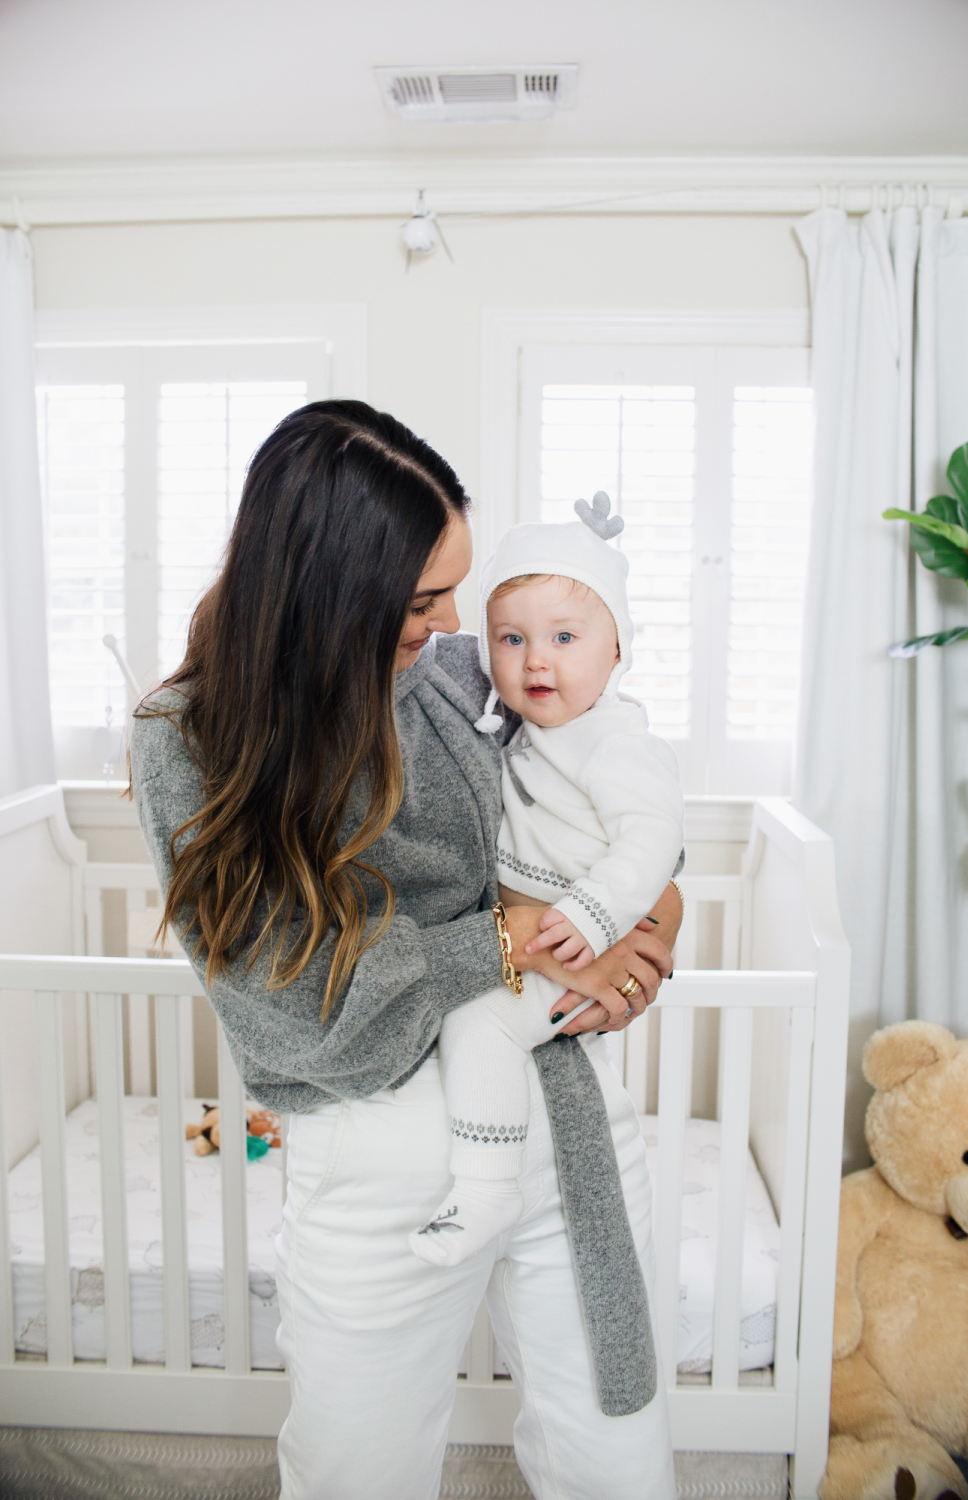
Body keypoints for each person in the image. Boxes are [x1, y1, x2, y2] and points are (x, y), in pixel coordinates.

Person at [128, 400, 682, 1500]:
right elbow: (291, 997)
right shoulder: (188, 739)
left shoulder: (468, 676)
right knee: (355, 1473)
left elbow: (610, 808)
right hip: (382, 1153)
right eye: (423, 600)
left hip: (558, 1107)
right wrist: (514, 935)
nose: (454, 625)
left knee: (617, 1454)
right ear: (335, 584)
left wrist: (654, 930)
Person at [409, 497, 685, 1269]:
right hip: (540, 937)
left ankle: (486, 1184)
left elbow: (654, 840)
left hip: (568, 938)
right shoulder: (529, 732)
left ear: (617, 650)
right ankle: (488, 1181)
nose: (536, 660)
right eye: (512, 639)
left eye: (565, 638)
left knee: (481, 1026)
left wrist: (595, 917)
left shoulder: (617, 743)